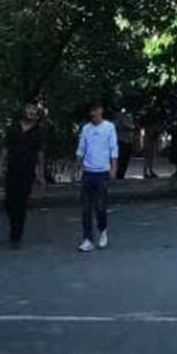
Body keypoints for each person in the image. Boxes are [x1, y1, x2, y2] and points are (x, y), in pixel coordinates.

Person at [76, 101, 118, 252]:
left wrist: (113, 168)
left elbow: (114, 149)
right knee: (85, 208)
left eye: (95, 110)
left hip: (102, 172)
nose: (92, 114)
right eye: (90, 111)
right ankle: (87, 238)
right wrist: (78, 167)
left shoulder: (109, 127)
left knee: (100, 206)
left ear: (100, 110)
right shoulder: (86, 129)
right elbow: (81, 149)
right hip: (88, 172)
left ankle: (103, 230)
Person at [2, 100, 44, 247]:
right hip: (12, 168)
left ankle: (16, 236)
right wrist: (1, 163)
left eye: (34, 110)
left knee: (21, 203)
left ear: (36, 113)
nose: (31, 112)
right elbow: (6, 147)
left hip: (27, 171)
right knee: (8, 202)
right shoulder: (14, 127)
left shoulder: (38, 131)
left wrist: (40, 173)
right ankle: (14, 225)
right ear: (24, 110)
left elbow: (39, 153)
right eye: (29, 109)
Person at [115, 104, 136, 182]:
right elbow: (118, 126)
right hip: (122, 140)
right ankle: (118, 175)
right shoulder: (119, 115)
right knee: (121, 159)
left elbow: (131, 126)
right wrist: (128, 127)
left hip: (128, 140)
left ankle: (122, 175)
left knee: (126, 159)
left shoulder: (130, 115)